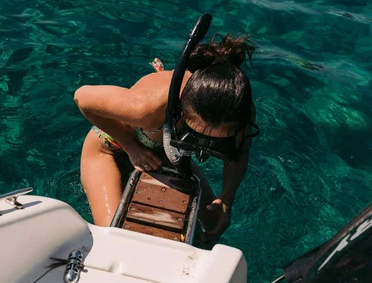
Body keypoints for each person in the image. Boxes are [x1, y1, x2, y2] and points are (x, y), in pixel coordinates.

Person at [74, 35, 258, 240]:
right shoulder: (147, 108)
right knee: (115, 240)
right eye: (197, 135)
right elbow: (82, 97)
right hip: (110, 146)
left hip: (164, 151)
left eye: (217, 141)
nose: (205, 144)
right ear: (182, 112)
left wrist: (227, 197)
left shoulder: (239, 109)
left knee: (214, 225)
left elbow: (240, 152)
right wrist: (130, 145)